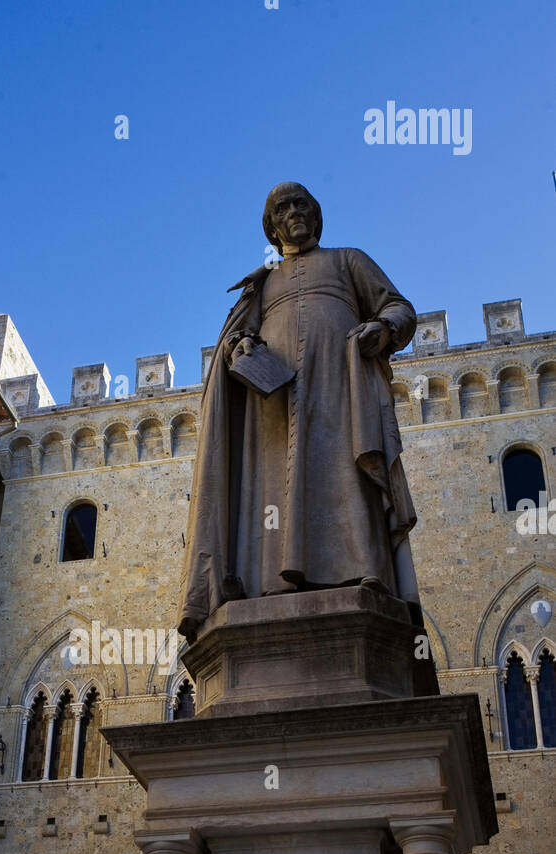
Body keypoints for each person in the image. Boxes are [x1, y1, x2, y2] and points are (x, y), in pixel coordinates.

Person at [178, 182, 421, 645]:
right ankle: (274, 582)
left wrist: (384, 327)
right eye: (283, 208)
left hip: (340, 392)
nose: (294, 212)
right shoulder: (263, 283)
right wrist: (241, 346)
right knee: (276, 493)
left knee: (347, 473)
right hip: (273, 407)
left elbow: (399, 307)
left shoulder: (349, 260)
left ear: (316, 214)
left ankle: (365, 571)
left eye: (302, 204)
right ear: (272, 225)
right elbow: (236, 337)